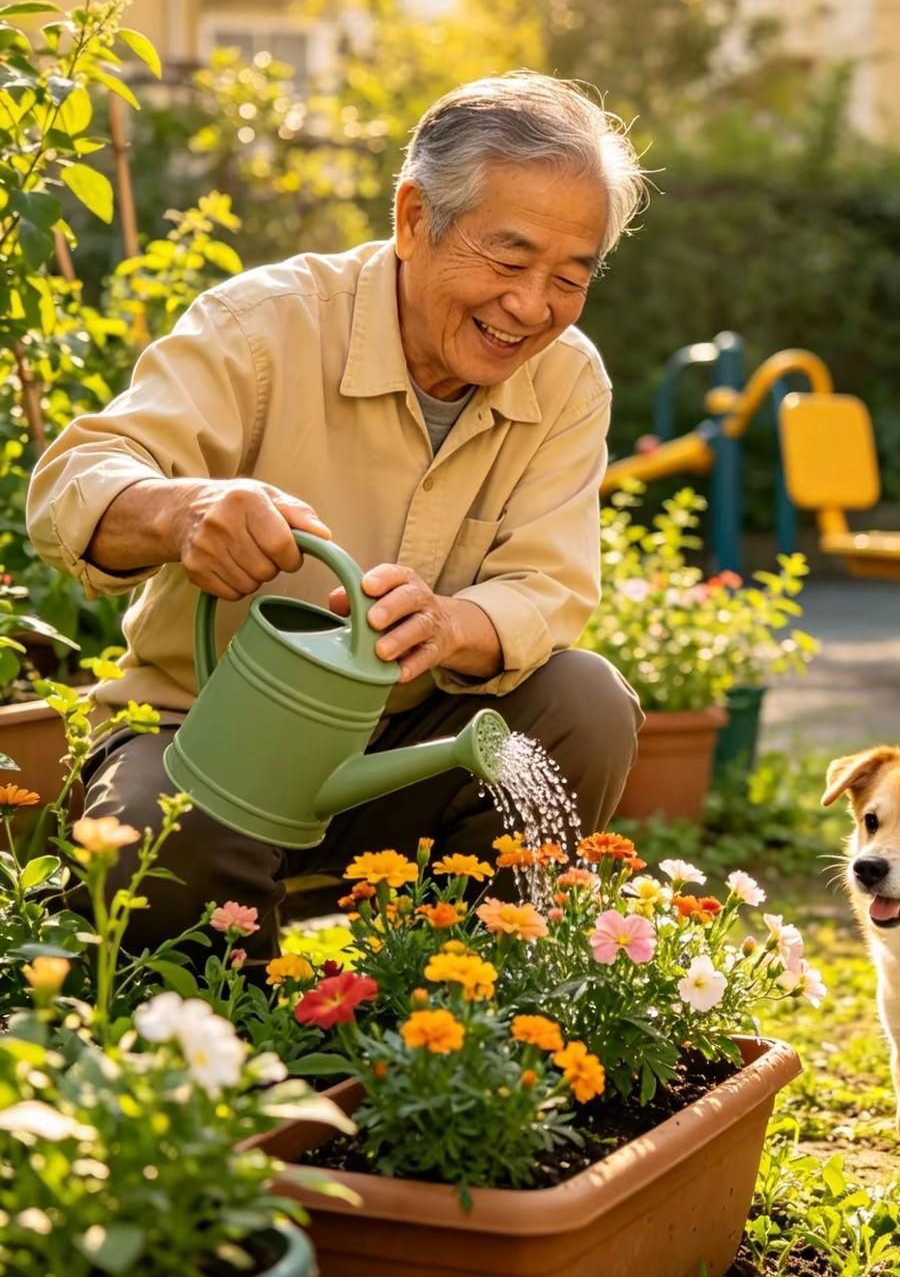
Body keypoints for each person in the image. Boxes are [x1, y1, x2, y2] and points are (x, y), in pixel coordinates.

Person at [27, 72, 646, 957]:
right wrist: (182, 511)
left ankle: (470, 1011)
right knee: (156, 851)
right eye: (509, 262)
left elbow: (548, 586)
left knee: (586, 702)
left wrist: (452, 623)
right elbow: (71, 482)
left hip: (410, 750)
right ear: (411, 219)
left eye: (570, 277)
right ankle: (230, 1059)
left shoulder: (568, 378)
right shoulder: (262, 326)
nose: (533, 306)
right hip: (200, 737)